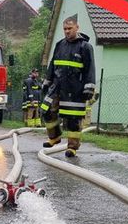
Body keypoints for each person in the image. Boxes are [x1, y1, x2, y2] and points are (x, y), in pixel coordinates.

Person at [41, 13, 96, 157]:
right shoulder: (60, 45)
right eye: (65, 28)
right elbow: (52, 64)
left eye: (69, 28)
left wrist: (89, 88)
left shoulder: (85, 47)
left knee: (73, 119)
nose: (67, 31)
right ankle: (55, 137)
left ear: (77, 27)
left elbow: (90, 69)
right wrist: (47, 81)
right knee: (47, 111)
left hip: (75, 89)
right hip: (57, 86)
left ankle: (72, 147)